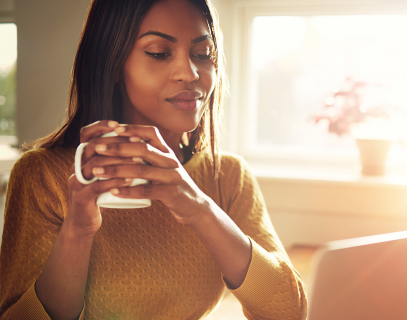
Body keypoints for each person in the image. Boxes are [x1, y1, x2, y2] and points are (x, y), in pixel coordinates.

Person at [0, 0, 307, 319]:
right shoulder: (42, 175)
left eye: (202, 54)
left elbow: (289, 311)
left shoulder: (227, 176)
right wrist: (78, 232)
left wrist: (197, 207)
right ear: (113, 61)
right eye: (160, 52)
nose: (190, 73)